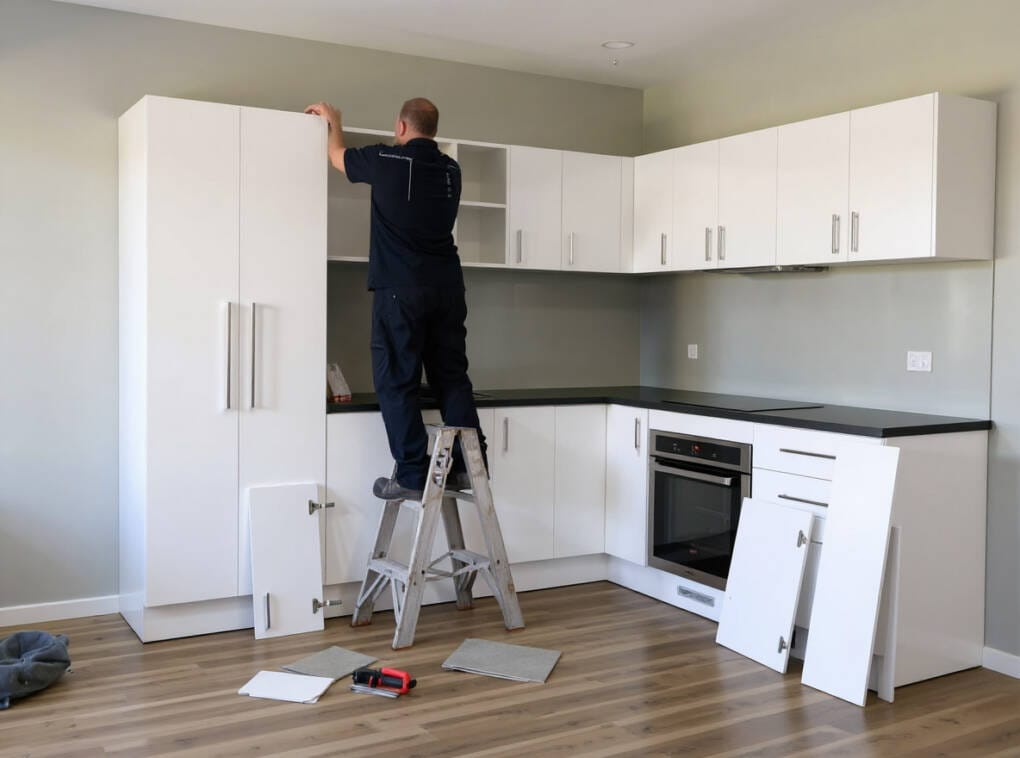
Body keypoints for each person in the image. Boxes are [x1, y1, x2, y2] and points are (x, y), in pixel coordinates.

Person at [305, 98, 487, 501]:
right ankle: (470, 469)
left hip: (400, 289)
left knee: (396, 380)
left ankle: (410, 473)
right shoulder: (452, 171)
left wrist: (334, 122)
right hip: (448, 288)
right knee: (451, 379)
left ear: (401, 127)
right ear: (433, 130)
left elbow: (336, 157)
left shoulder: (386, 159)